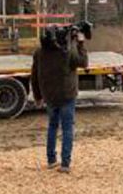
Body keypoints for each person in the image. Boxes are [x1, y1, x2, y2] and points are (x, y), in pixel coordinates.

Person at [30, 24, 88, 174]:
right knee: (67, 128)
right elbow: (84, 62)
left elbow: (34, 75)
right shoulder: (67, 51)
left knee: (52, 126)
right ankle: (65, 163)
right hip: (67, 95)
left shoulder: (39, 52)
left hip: (49, 95)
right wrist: (80, 43)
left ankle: (51, 160)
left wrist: (37, 96)